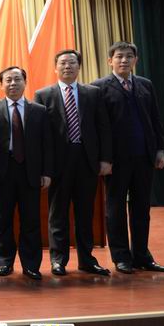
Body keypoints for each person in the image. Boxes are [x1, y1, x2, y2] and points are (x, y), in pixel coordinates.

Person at [92, 41, 164, 273]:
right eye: (119, 56)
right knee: (115, 209)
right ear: (110, 61)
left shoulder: (145, 84)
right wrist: (104, 159)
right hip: (115, 161)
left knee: (141, 208)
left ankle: (142, 256)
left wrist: (159, 149)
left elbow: (155, 119)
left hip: (144, 156)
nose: (124, 60)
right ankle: (121, 257)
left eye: (128, 56)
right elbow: (98, 127)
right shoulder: (99, 87)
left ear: (135, 60)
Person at [34, 49, 112, 276]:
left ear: (79, 67)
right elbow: (40, 136)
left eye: (72, 63)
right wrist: (44, 167)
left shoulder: (93, 93)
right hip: (58, 163)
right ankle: (58, 260)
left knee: (85, 214)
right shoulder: (43, 95)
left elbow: (103, 128)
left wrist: (105, 159)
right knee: (58, 213)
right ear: (55, 68)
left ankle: (87, 260)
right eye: (63, 63)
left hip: (87, 161)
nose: (67, 66)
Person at [0, 66, 53, 280]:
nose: (13, 83)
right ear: (1, 84)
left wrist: (46, 172)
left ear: (25, 82)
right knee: (2, 220)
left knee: (31, 220)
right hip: (2, 172)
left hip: (30, 171)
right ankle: (4, 262)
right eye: (8, 80)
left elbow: (46, 144)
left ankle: (31, 265)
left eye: (17, 79)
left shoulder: (39, 111)